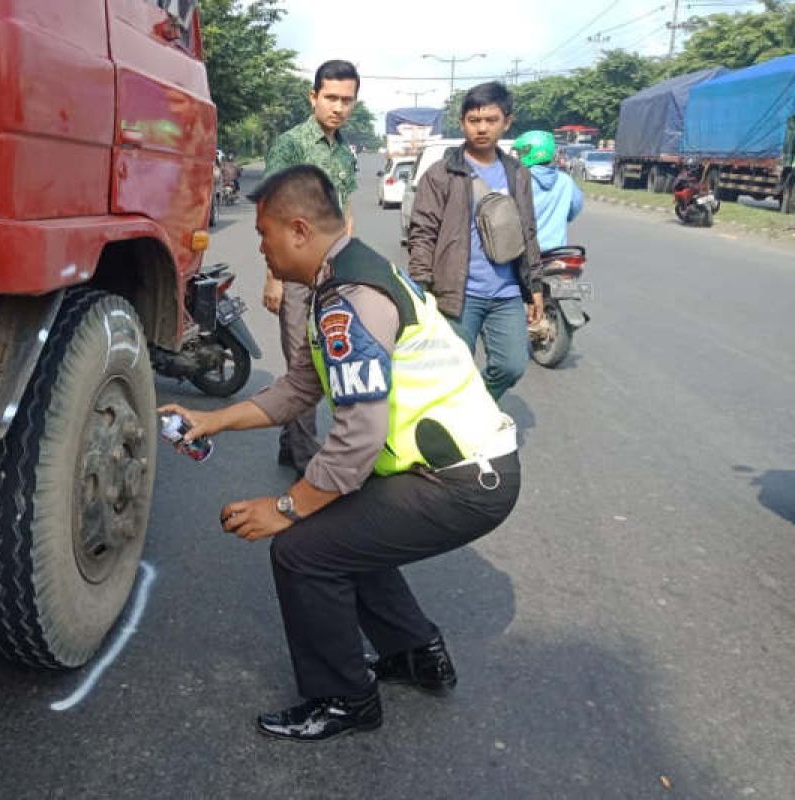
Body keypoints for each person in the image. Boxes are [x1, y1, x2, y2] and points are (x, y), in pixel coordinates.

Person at [160, 165, 521, 742]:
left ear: (299, 229)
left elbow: (356, 439)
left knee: (304, 552)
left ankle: (343, 699)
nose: (261, 247)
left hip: (462, 481)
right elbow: (301, 388)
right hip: (457, 471)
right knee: (341, 531)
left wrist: (284, 508)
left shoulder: (347, 300)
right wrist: (214, 420)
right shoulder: (345, 278)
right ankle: (414, 656)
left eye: (263, 233)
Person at [406, 82, 543, 401]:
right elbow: (422, 232)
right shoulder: (442, 174)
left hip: (506, 292)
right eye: (474, 120)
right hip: (457, 293)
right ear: (462, 122)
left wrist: (534, 286)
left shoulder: (518, 174)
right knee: (452, 371)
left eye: (491, 120)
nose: (482, 128)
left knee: (512, 365)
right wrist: (421, 288)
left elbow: (528, 232)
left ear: (506, 122)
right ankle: (456, 432)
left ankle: (474, 406)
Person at [261, 59, 360, 475]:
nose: (338, 107)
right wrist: (274, 278)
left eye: (347, 100)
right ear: (314, 96)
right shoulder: (291, 144)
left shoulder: (344, 151)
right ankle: (307, 462)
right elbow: (272, 212)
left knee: (323, 356)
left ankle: (291, 444)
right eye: (331, 97)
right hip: (297, 274)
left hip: (331, 273)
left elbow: (347, 210)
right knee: (305, 364)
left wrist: (349, 266)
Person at [511, 130, 583, 252]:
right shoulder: (565, 180)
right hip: (557, 252)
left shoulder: (519, 180)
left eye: (521, 153)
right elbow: (575, 208)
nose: (518, 157)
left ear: (532, 153)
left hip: (526, 253)